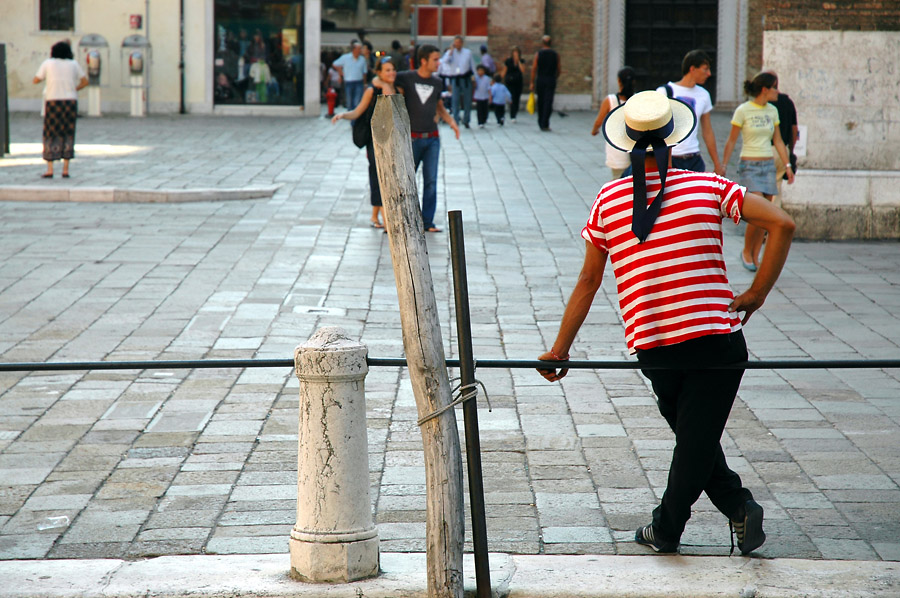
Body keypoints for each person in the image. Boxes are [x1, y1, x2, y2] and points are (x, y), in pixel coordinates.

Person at [536, 90, 795, 556]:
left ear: (627, 142)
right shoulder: (710, 187)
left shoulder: (608, 199)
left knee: (694, 440)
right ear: (674, 142)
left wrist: (560, 349)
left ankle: (667, 528)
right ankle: (739, 507)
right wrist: (756, 294)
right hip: (717, 341)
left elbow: (589, 280)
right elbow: (783, 223)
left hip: (655, 347)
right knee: (697, 442)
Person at [722, 71, 795, 272]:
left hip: (768, 166)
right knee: (758, 207)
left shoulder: (772, 111)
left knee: (766, 214)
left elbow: (778, 140)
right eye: (774, 87)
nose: (777, 92)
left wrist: (788, 166)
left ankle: (755, 254)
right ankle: (746, 251)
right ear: (765, 89)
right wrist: (723, 165)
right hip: (750, 164)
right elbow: (731, 140)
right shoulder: (743, 110)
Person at [386, 44, 461, 232]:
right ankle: (403, 219)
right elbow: (387, 79)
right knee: (406, 180)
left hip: (432, 138)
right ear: (423, 60)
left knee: (431, 182)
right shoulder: (407, 77)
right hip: (412, 138)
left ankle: (427, 221)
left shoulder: (437, 82)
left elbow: (439, 107)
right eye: (435, 59)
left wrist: (452, 123)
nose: (439, 63)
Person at [332, 57, 397, 230]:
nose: (391, 73)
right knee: (378, 177)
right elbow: (358, 111)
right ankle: (384, 220)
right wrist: (343, 115)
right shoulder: (372, 89)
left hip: (392, 141)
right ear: (379, 73)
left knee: (387, 177)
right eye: (387, 70)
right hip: (375, 141)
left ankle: (375, 215)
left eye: (393, 69)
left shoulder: (398, 87)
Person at [656, 50, 725, 175]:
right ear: (692, 69)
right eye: (705, 69)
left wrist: (717, 164)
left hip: (693, 159)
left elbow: (707, 131)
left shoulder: (703, 95)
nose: (709, 74)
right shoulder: (665, 92)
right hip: (670, 159)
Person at [32, 40, 88, 179]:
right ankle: (65, 169)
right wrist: (74, 89)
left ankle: (50, 169)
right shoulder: (74, 64)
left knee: (50, 133)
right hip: (70, 102)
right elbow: (85, 81)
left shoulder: (48, 63)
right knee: (67, 133)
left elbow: (36, 79)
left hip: (53, 101)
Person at [591, 66, 636, 179]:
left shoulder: (610, 100)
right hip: (635, 149)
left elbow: (599, 121)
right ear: (634, 82)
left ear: (618, 81)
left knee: (617, 180)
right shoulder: (637, 99)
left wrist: (594, 131)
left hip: (617, 149)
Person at [767, 71, 799, 199]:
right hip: (781, 151)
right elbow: (794, 129)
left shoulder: (763, 104)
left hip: (762, 150)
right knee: (775, 189)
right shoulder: (787, 102)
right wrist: (790, 150)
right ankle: (772, 216)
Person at [441, 36, 477, 129]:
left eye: (459, 42)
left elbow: (472, 66)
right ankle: (456, 120)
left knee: (467, 100)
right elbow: (444, 61)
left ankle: (466, 120)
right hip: (455, 79)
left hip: (465, 78)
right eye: (455, 42)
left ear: (462, 43)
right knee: (455, 100)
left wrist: (475, 79)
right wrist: (451, 50)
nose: (457, 44)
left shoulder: (467, 53)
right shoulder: (451, 53)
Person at [530, 35, 560, 132]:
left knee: (541, 100)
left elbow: (534, 69)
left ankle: (541, 121)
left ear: (542, 43)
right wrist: (555, 77)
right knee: (548, 101)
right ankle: (545, 122)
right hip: (551, 79)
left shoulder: (538, 54)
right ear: (551, 43)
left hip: (541, 79)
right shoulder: (556, 54)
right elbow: (559, 69)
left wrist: (532, 82)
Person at [334, 42, 368, 110]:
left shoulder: (362, 59)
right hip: (348, 82)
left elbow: (364, 72)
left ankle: (355, 118)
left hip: (359, 82)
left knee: (357, 102)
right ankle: (351, 116)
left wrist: (364, 84)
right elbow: (335, 64)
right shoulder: (345, 57)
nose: (360, 50)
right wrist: (340, 72)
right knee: (349, 102)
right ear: (354, 49)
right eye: (359, 49)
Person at [500, 46, 525, 123]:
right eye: (514, 52)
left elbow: (523, 70)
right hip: (510, 82)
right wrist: (499, 79)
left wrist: (518, 62)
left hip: (518, 82)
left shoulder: (522, 61)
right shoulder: (508, 61)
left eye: (517, 52)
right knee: (512, 97)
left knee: (516, 98)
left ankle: (514, 113)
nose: (515, 54)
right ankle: (512, 115)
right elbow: (504, 71)